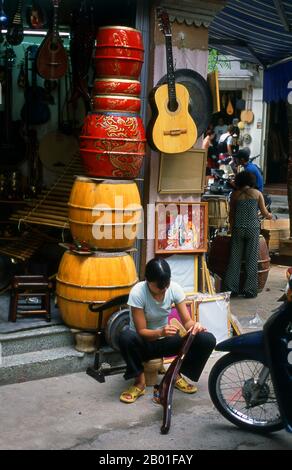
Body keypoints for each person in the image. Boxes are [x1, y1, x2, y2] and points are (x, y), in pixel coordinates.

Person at [118, 258, 216, 403]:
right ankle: (139, 382)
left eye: (166, 286)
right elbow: (141, 331)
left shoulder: (174, 289)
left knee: (206, 339)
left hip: (165, 341)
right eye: (159, 287)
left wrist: (196, 326)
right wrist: (161, 332)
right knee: (125, 337)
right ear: (147, 281)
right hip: (143, 343)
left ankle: (175, 374)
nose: (163, 290)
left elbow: (187, 322)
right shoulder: (138, 293)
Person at [223, 171, 273, 298]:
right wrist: (269, 215)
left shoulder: (235, 195)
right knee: (251, 260)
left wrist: (232, 227)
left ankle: (231, 289)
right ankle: (250, 291)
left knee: (234, 259)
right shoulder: (257, 194)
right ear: (251, 181)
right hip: (253, 229)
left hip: (238, 228)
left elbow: (232, 214)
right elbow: (264, 212)